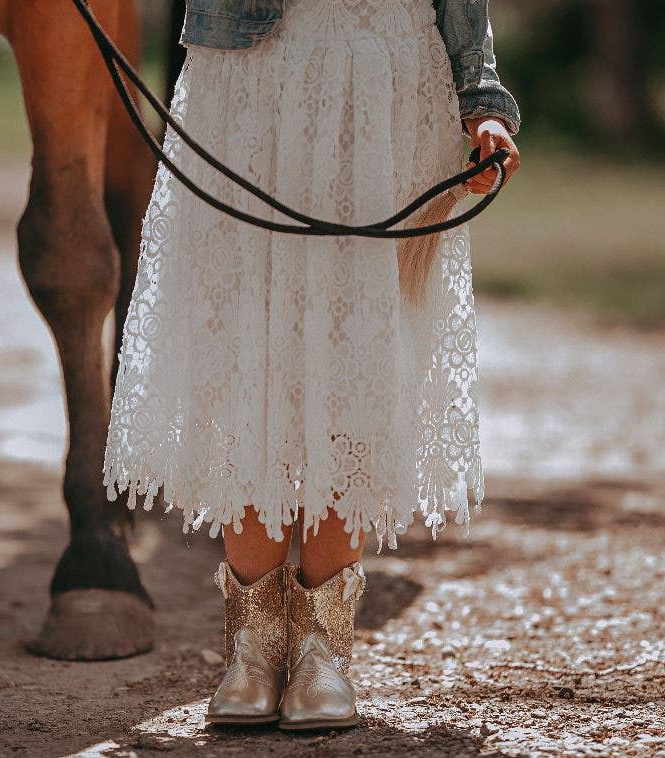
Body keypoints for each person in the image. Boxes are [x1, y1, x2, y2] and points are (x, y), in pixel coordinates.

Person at [103, 0, 521, 730]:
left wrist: (482, 101)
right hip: (248, 78)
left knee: (352, 347)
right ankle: (254, 648)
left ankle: (322, 651)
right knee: (244, 349)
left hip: (383, 76)